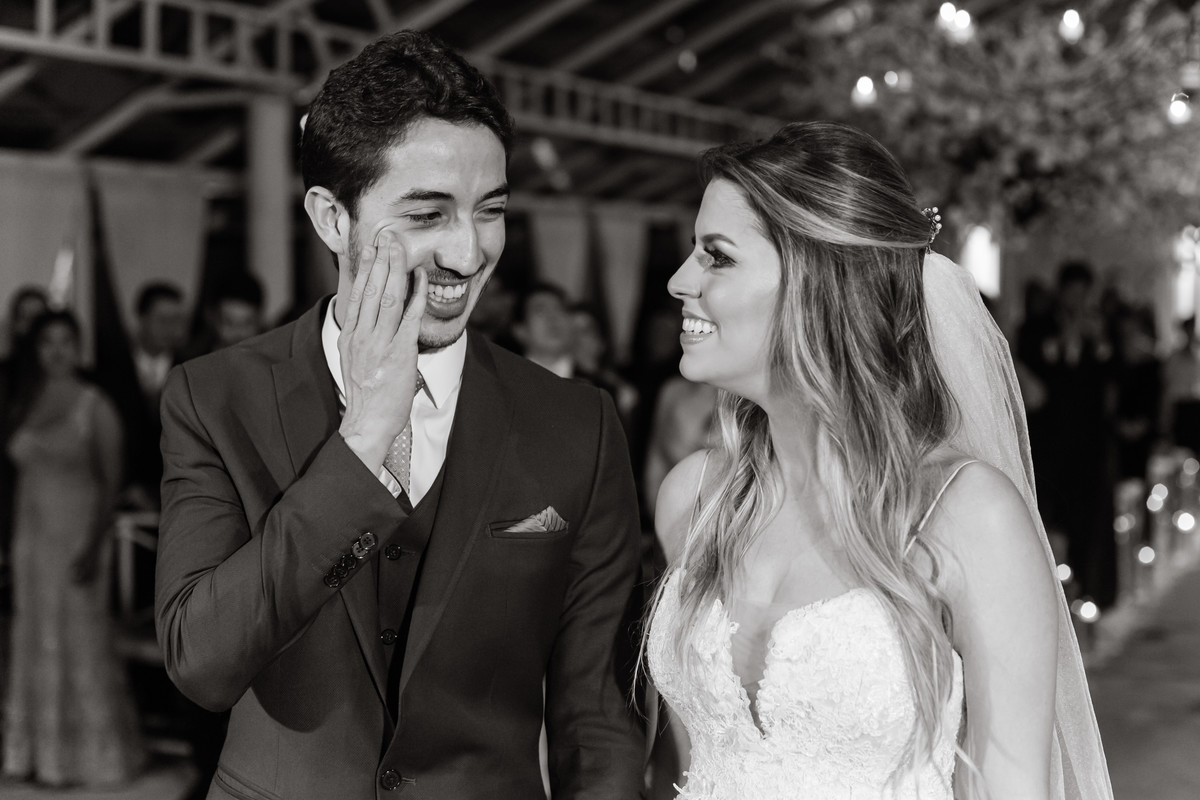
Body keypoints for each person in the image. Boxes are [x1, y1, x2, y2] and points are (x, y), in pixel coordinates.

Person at [154, 30, 644, 800]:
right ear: (331, 218)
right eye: (428, 214)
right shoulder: (215, 397)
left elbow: (598, 719)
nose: (468, 254)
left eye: (490, 211)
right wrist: (362, 442)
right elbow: (202, 663)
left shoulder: (577, 425)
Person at [644, 122, 1112, 799]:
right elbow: (695, 763)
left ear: (818, 281)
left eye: (716, 257)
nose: (678, 280)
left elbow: (1014, 785)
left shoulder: (966, 515)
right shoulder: (694, 498)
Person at [2, 309, 146, 786]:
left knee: (81, 641)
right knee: (32, 638)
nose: (57, 351)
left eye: (66, 340)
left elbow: (111, 482)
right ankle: (37, 755)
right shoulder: (24, 400)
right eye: (48, 342)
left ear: (78, 346)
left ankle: (89, 755)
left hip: (78, 537)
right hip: (31, 540)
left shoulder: (94, 405)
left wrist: (92, 546)